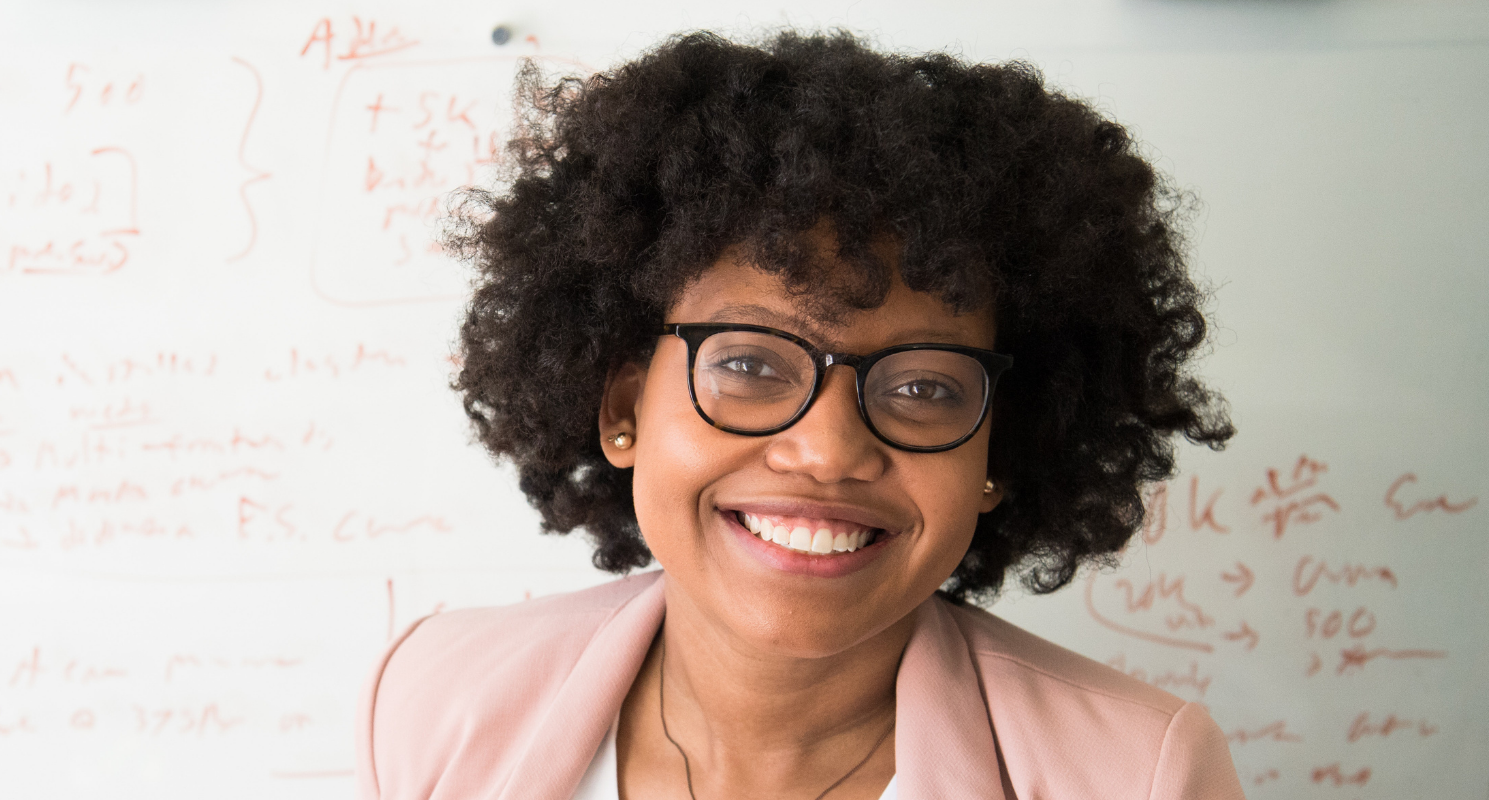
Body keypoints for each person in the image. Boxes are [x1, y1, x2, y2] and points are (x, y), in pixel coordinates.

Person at [355, 30, 1245, 800]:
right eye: (748, 364)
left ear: (997, 451)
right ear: (623, 407)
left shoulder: (1138, 775)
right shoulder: (430, 697)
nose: (826, 450)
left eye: (925, 387)